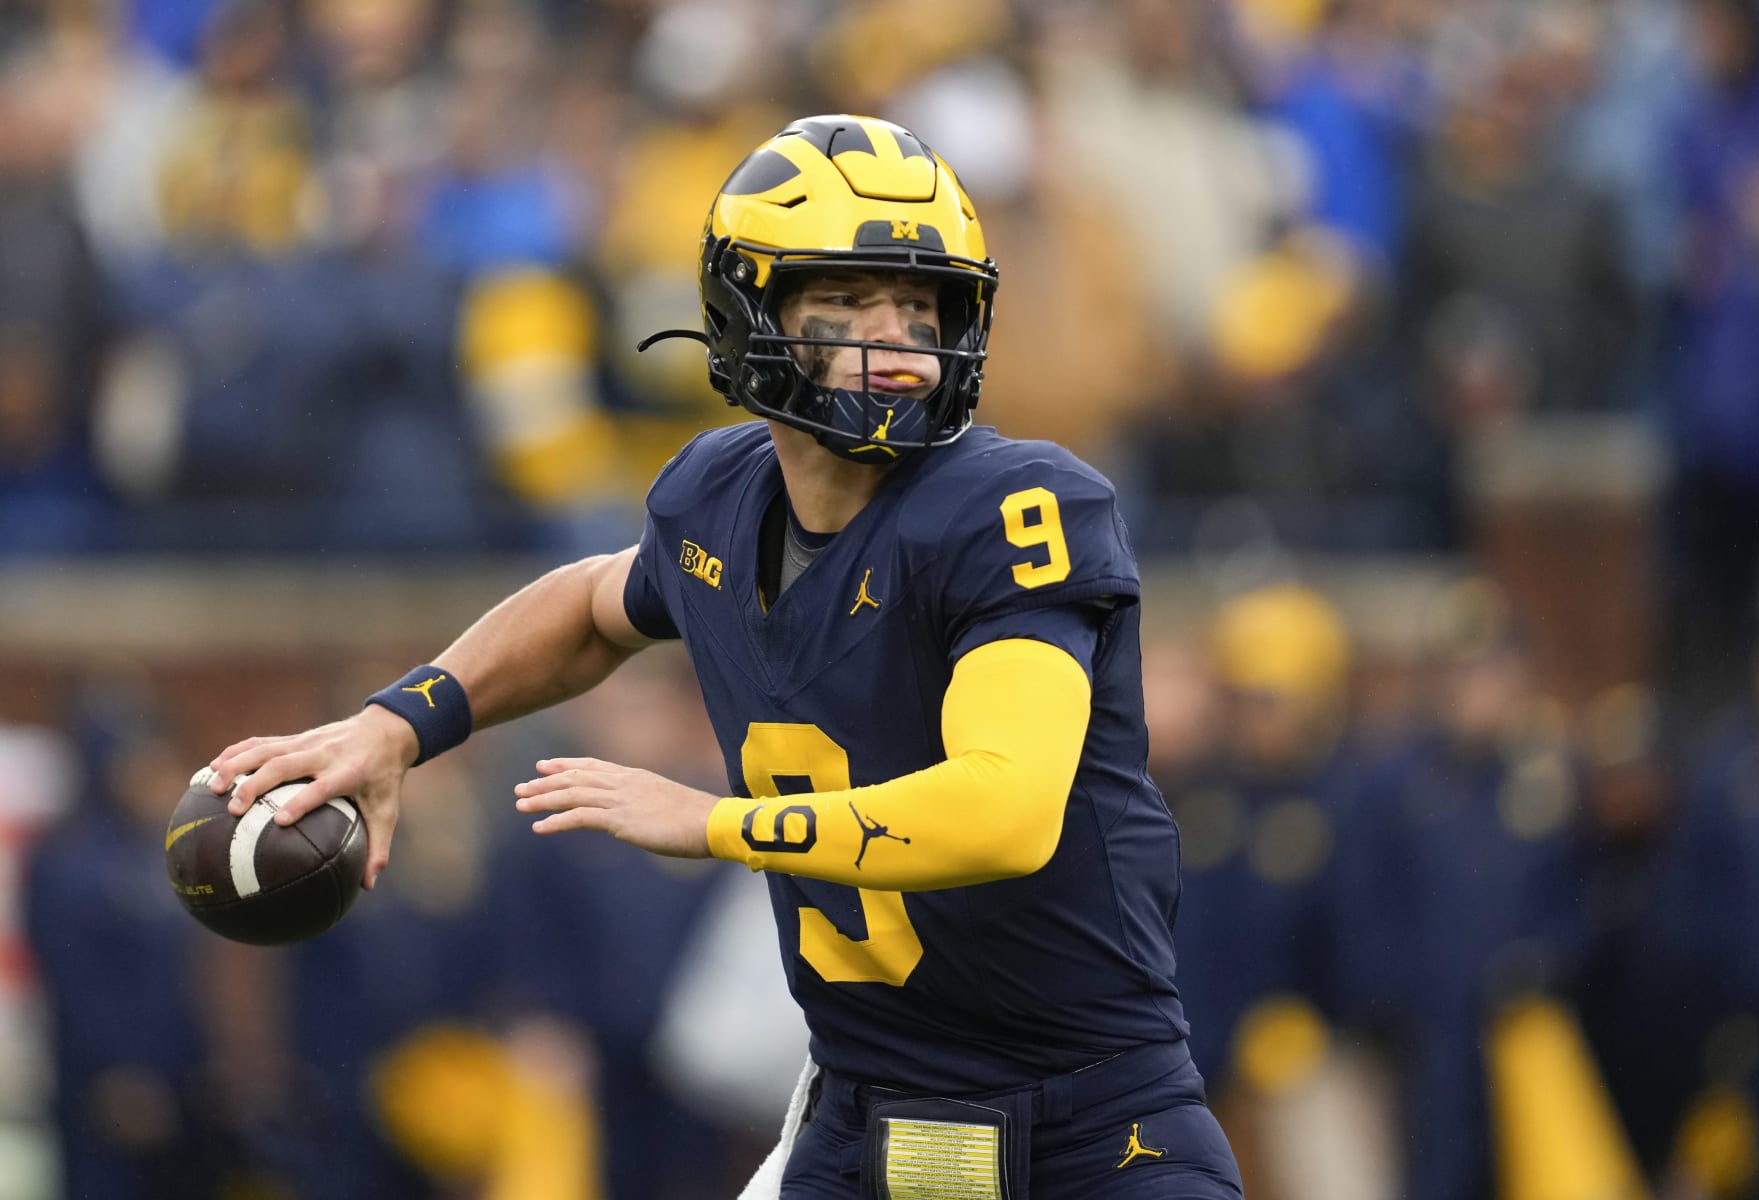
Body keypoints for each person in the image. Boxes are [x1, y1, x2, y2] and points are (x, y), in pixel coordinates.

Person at [204, 113, 1245, 1200]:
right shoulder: (717, 498)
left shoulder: (1012, 506)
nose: (896, 339)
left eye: (921, 303)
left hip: (1092, 1129)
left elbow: (1007, 807)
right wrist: (396, 725)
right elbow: (591, 605)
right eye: (847, 302)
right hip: (866, 1117)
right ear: (753, 314)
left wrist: (713, 825)